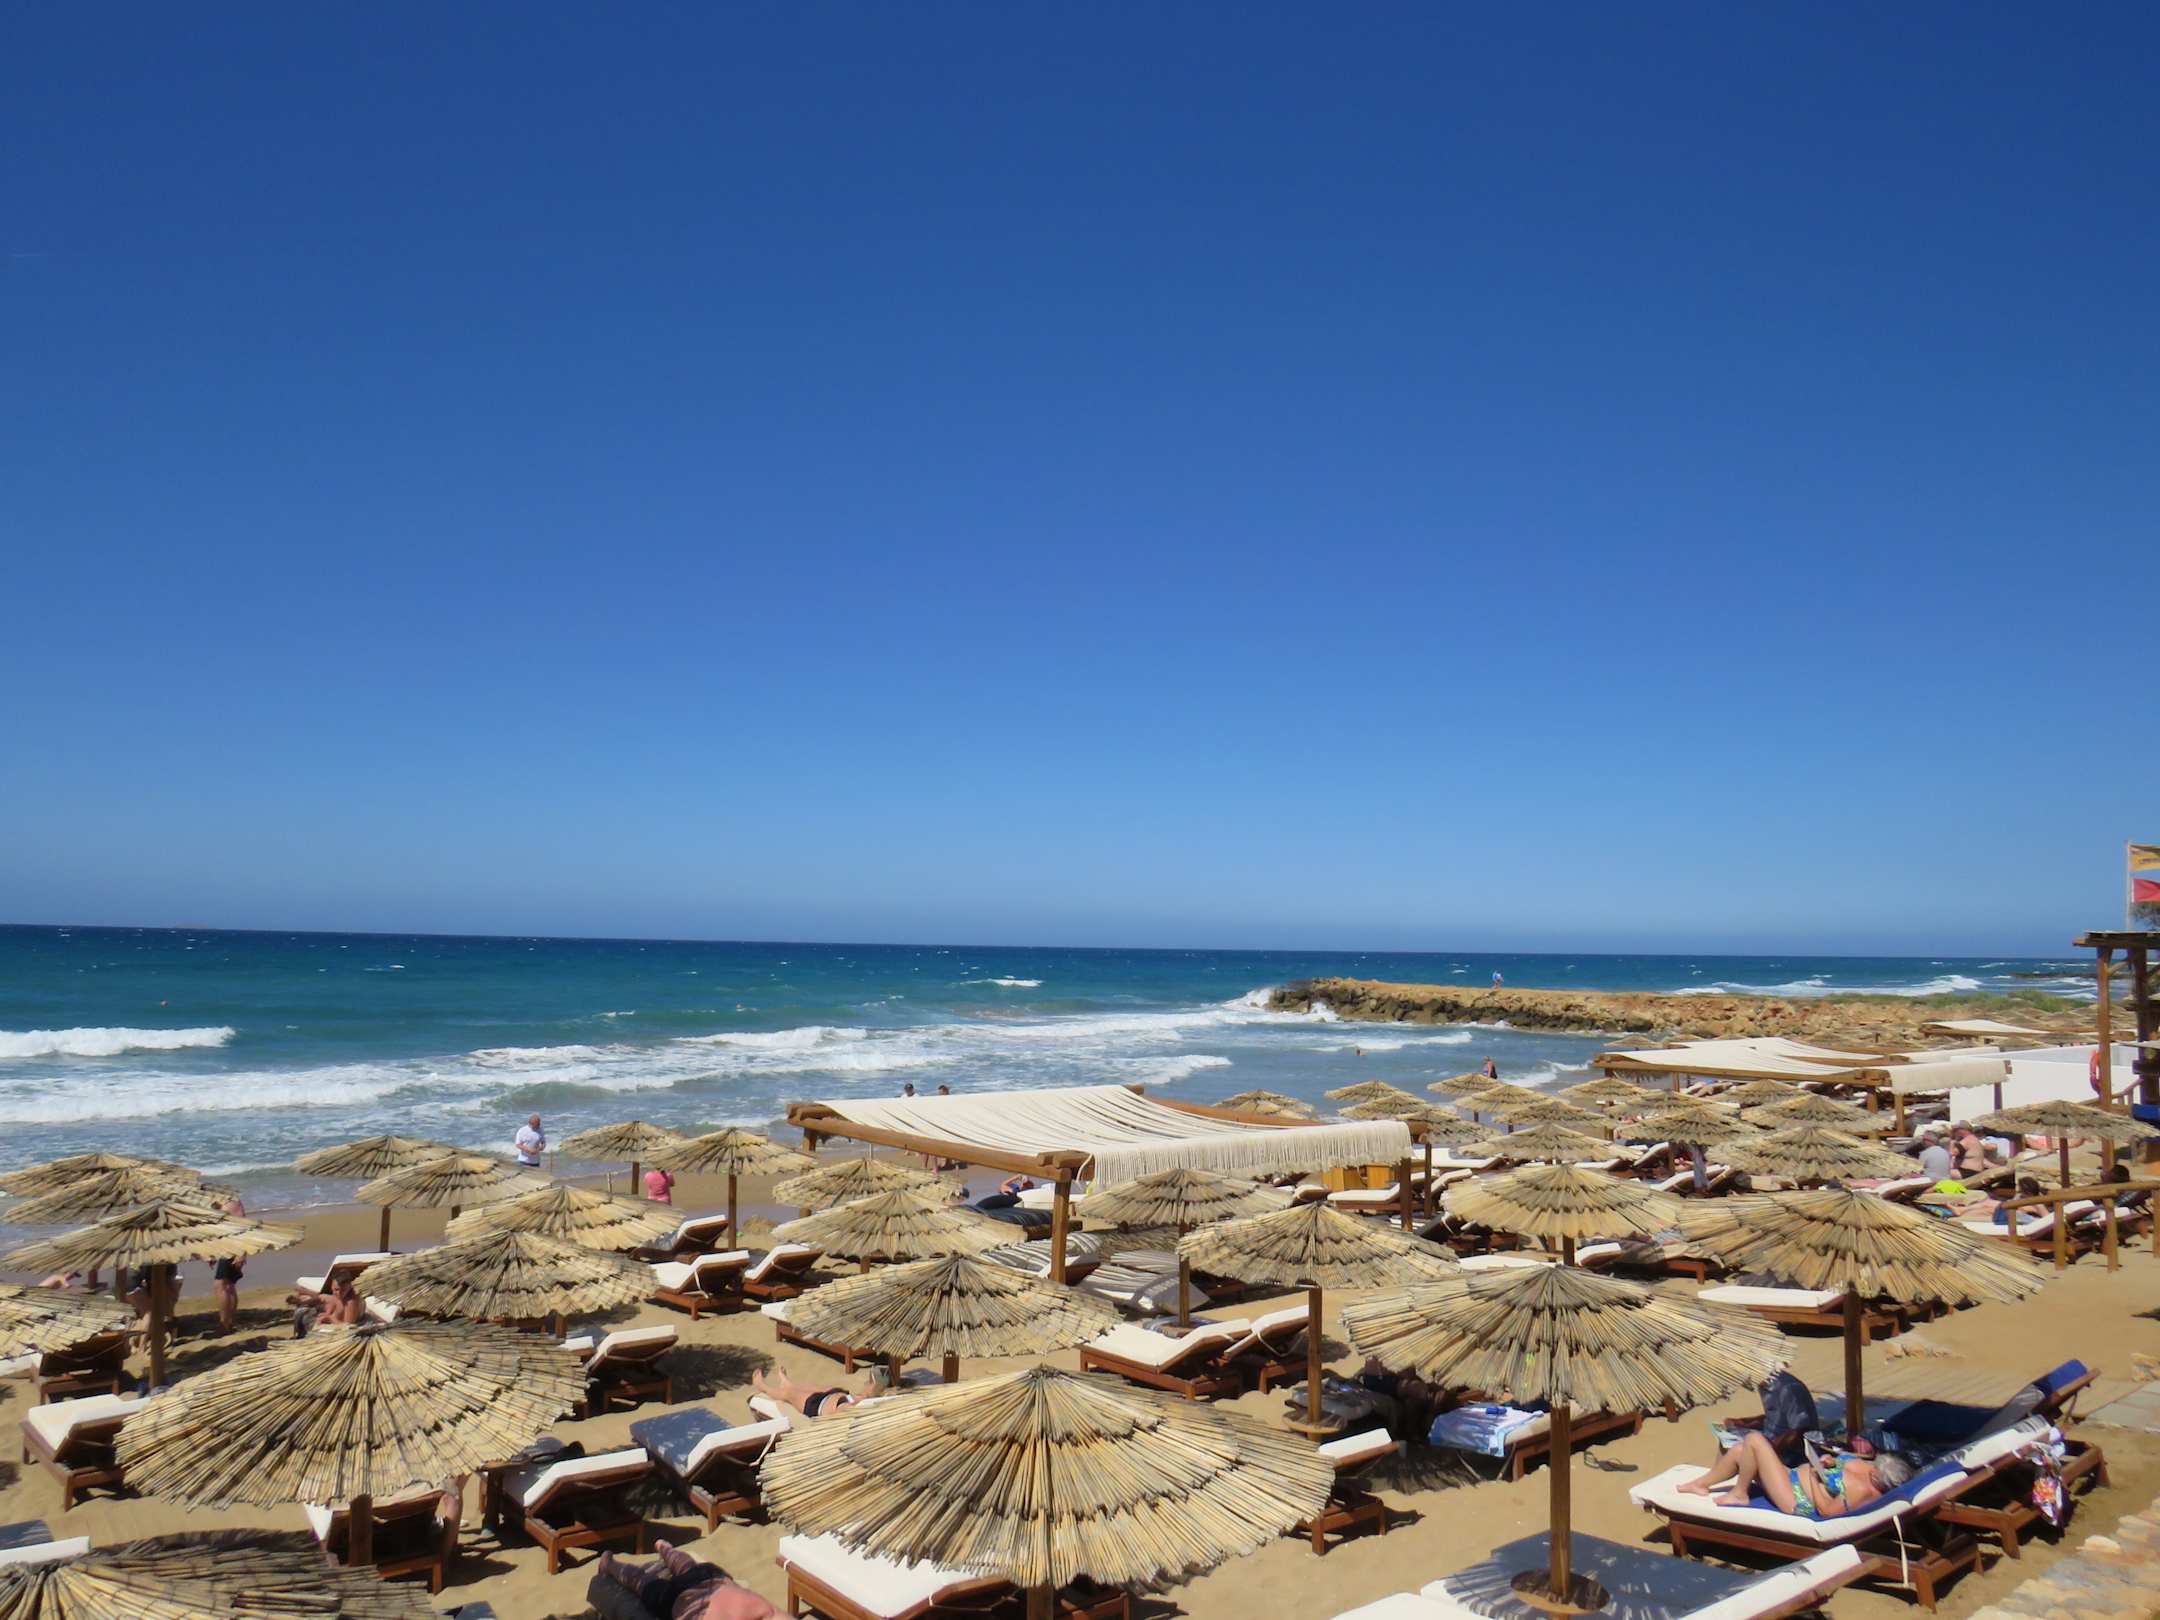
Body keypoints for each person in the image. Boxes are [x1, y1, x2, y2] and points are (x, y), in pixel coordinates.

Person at [1678, 1430, 1906, 1516]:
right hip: (1793, 1477)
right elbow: (1840, 1464)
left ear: (1881, 1480)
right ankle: (1700, 1484)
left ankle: (1740, 1494)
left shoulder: (1862, 1491)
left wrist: (1814, 1479)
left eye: (1875, 1472)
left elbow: (1827, 1511)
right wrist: (1828, 1462)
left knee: (1754, 1440)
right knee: (1740, 1450)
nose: (1871, 1469)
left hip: (1796, 1499)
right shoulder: (1869, 1469)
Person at [587, 1540, 779, 1620]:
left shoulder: (765, 1611)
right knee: (642, 1583)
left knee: (687, 1566)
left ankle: (665, 1548)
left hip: (713, 1578)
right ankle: (610, 1564)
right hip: (677, 1597)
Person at [751, 1366, 875, 1418]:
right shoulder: (871, 1401)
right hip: (837, 1395)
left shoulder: (848, 1410)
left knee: (789, 1394)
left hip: (816, 1406)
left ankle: (763, 1387)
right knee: (810, 1386)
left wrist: (855, 1401)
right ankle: (788, 1383)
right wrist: (864, 1394)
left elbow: (842, 1414)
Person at [211, 1193, 248, 1334]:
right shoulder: (217, 1201)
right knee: (228, 1286)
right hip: (226, 1247)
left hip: (234, 1247)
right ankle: (228, 1323)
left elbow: (243, 1226)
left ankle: (224, 1324)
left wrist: (241, 1252)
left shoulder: (231, 1202)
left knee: (220, 1285)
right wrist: (213, 1252)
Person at [290, 1274, 365, 1337]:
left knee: (305, 1316)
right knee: (303, 1312)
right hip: (326, 1319)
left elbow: (348, 1327)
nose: (338, 1293)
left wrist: (330, 1318)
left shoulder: (351, 1302)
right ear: (332, 1286)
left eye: (342, 1290)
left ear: (349, 1287)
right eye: (336, 1290)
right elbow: (320, 1298)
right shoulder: (336, 1297)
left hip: (336, 1332)